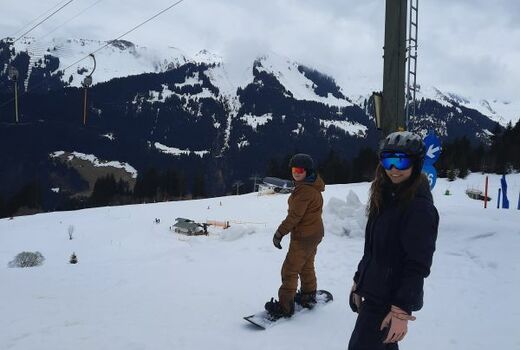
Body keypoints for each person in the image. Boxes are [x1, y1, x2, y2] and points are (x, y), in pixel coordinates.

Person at [348, 131, 439, 349]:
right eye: (388, 161)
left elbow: (417, 264)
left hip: (388, 300)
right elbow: (373, 250)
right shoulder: (386, 196)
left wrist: (401, 310)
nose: (394, 169)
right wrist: (359, 280)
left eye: (402, 161)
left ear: (416, 164)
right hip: (375, 292)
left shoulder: (419, 207)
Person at [264, 153, 325, 318]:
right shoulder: (312, 186)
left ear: (308, 171)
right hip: (314, 233)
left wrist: (279, 233)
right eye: (294, 169)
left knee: (290, 269)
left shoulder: (304, 191)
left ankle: (285, 307)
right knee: (306, 265)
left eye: (300, 170)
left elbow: (294, 217)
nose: (296, 172)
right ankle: (308, 294)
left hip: (304, 236)